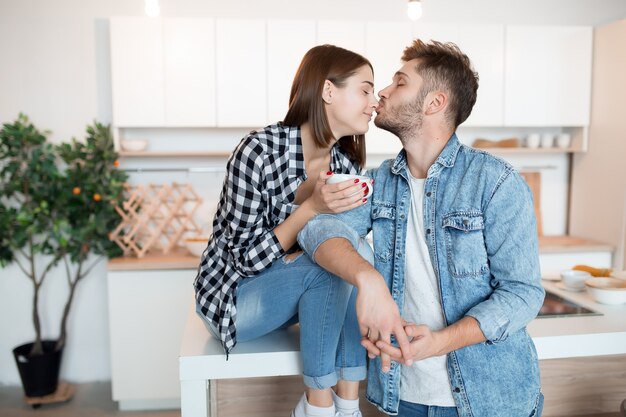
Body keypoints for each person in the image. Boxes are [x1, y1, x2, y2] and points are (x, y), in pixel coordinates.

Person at [297, 39, 545, 417]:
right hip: (403, 395)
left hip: (489, 400)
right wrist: (369, 280)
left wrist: (440, 342)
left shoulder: (495, 183)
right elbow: (318, 231)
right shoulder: (379, 183)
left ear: (434, 103)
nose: (382, 91)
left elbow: (523, 294)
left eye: (399, 82)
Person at [193, 44, 402, 417]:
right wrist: (311, 209)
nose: (375, 101)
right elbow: (244, 259)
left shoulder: (343, 164)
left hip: (289, 296)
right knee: (331, 268)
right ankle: (317, 406)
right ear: (327, 91)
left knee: (353, 259)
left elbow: (346, 245)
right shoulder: (259, 151)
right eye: (366, 89)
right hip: (233, 299)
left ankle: (347, 404)